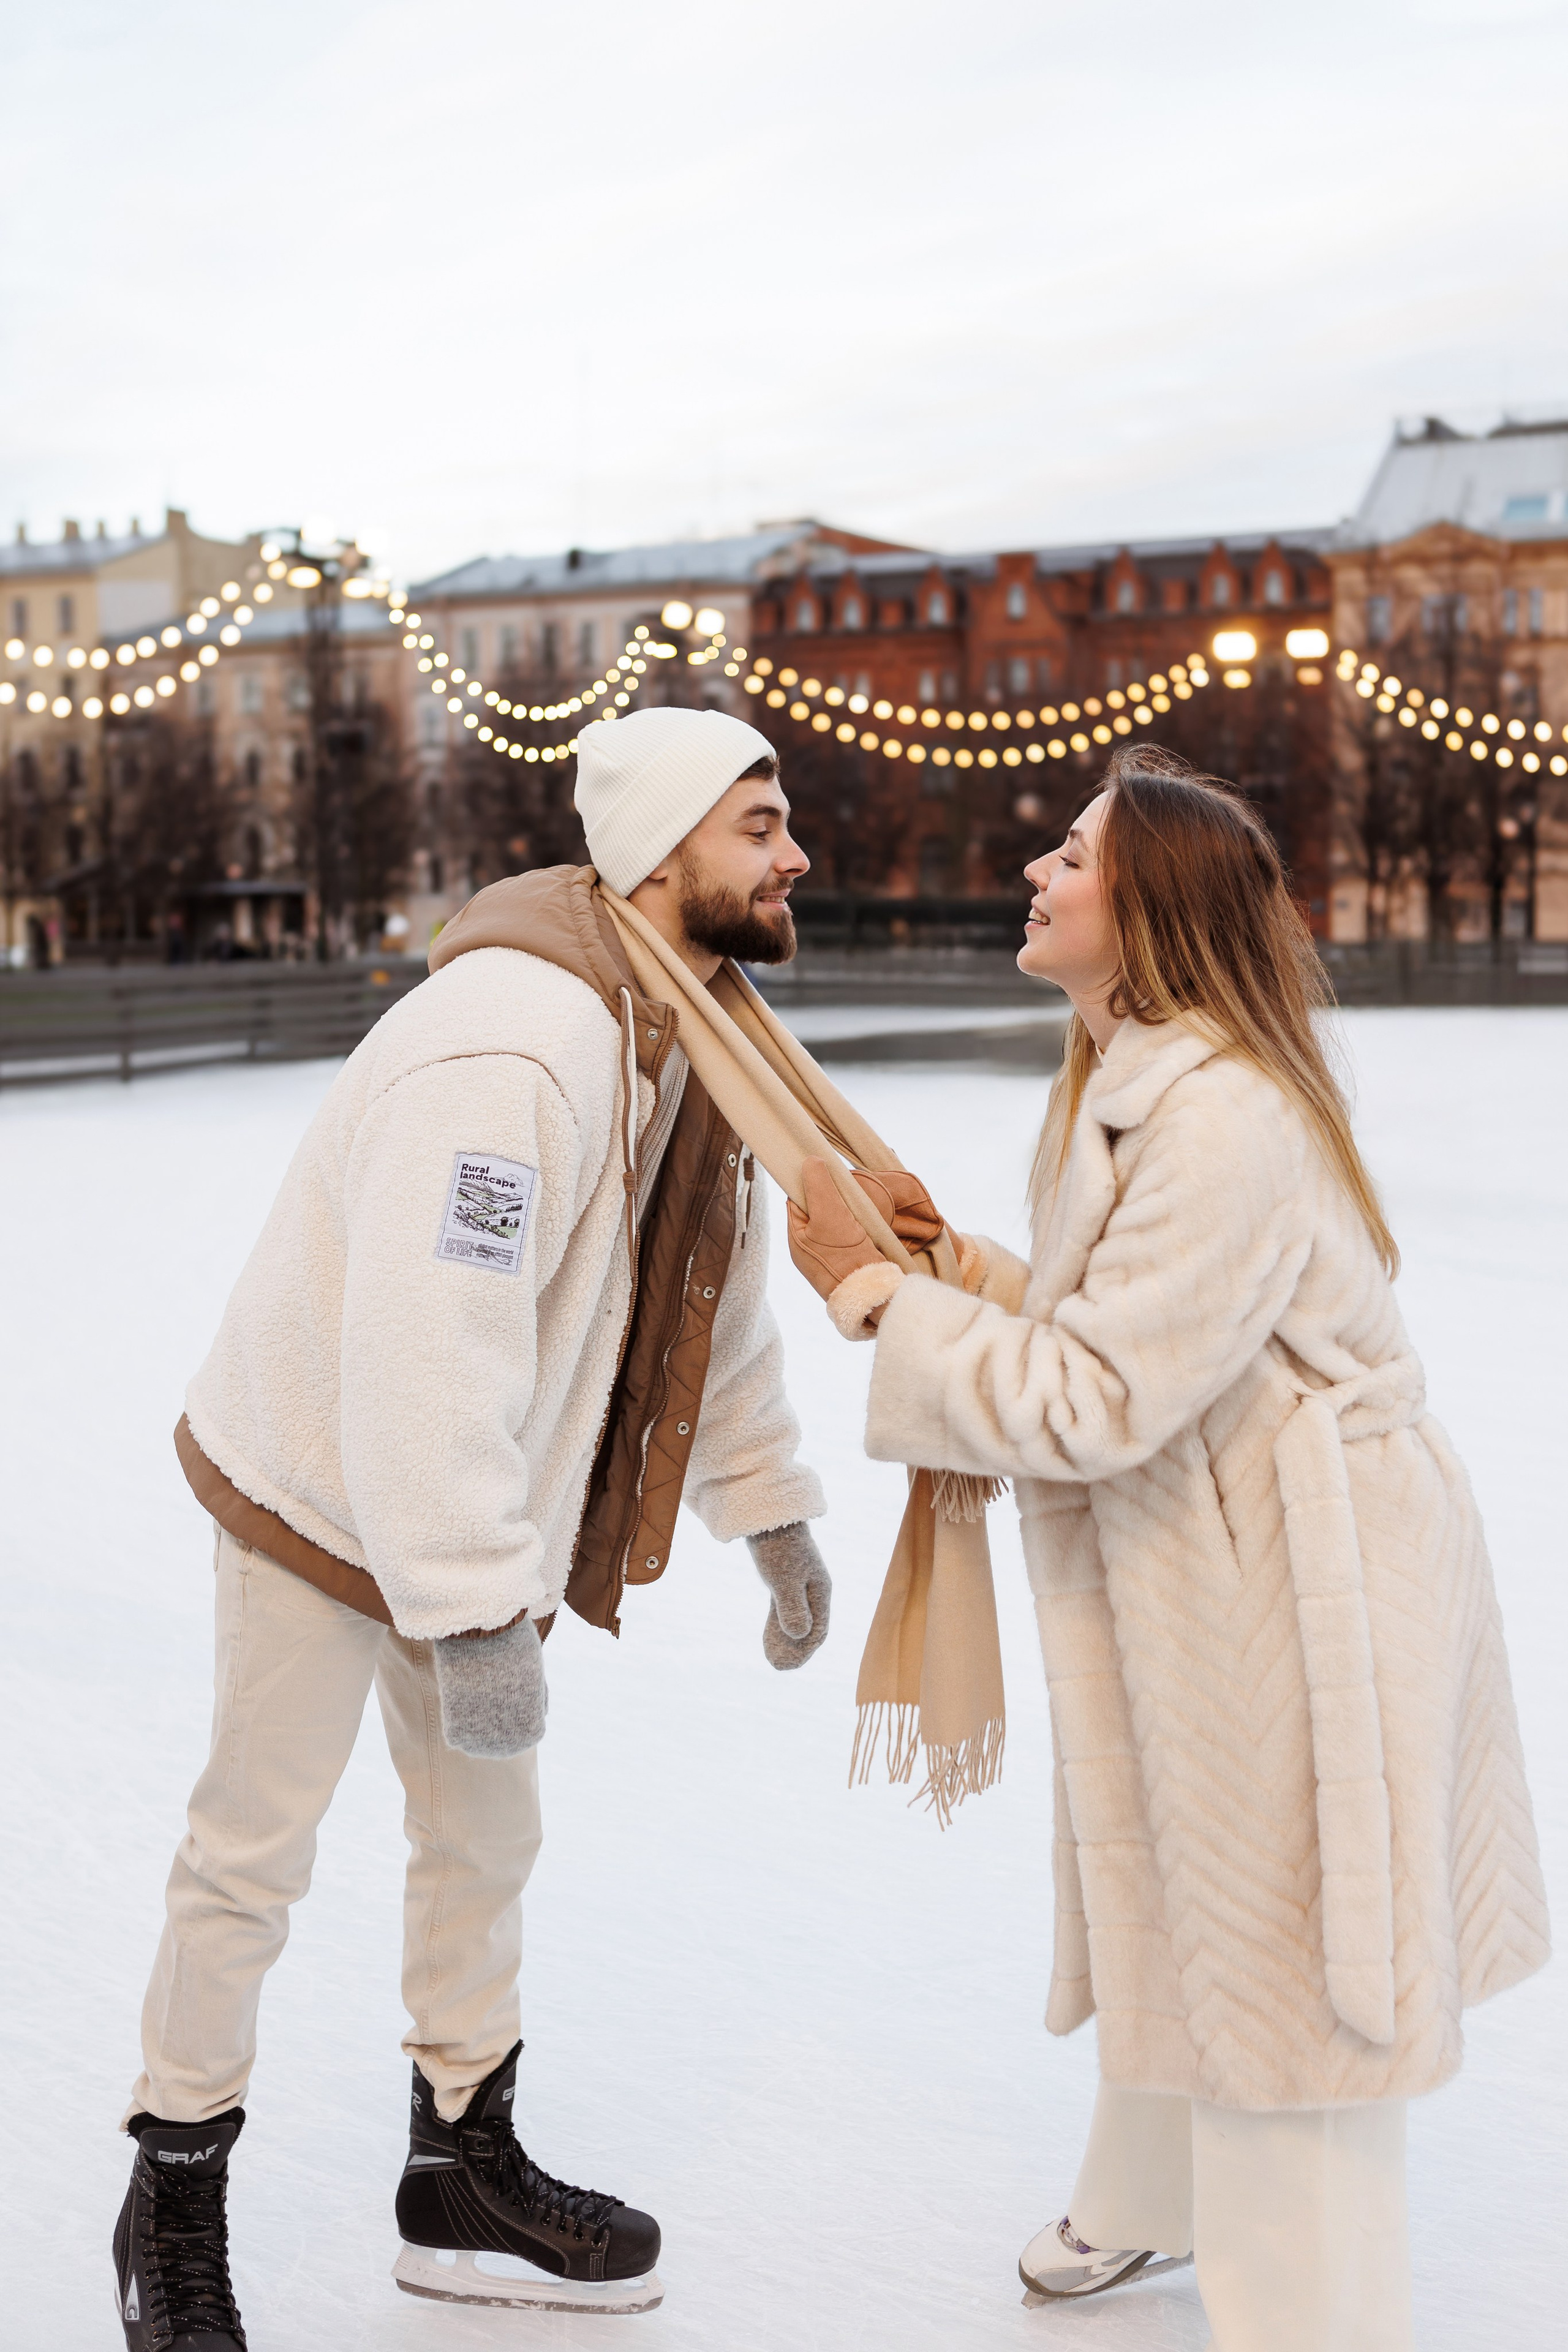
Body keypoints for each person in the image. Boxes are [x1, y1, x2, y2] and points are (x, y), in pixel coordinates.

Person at [785, 744, 1549, 2351]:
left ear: (1151, 913)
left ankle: (1315, 2322)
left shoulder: (1221, 1123)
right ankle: (1151, 2199)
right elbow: (1122, 1320)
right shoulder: (1132, 1085)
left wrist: (878, 1302)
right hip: (1218, 1550)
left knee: (1289, 1971)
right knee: (1188, 1881)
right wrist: (962, 1265)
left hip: (1305, 1580)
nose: (1035, 873)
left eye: (1072, 857)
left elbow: (1100, 1391)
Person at [115, 705, 833, 2343]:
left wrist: (769, 1510)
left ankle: (459, 2167)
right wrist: (471, 1609)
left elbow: (704, 1305)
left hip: (459, 1519)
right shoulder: (516, 1044)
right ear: (661, 855)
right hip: (318, 1488)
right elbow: (424, 1344)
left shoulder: (689, 1034)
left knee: (484, 1839)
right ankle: (174, 2188)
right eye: (760, 824)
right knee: (256, 1845)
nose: (796, 855)